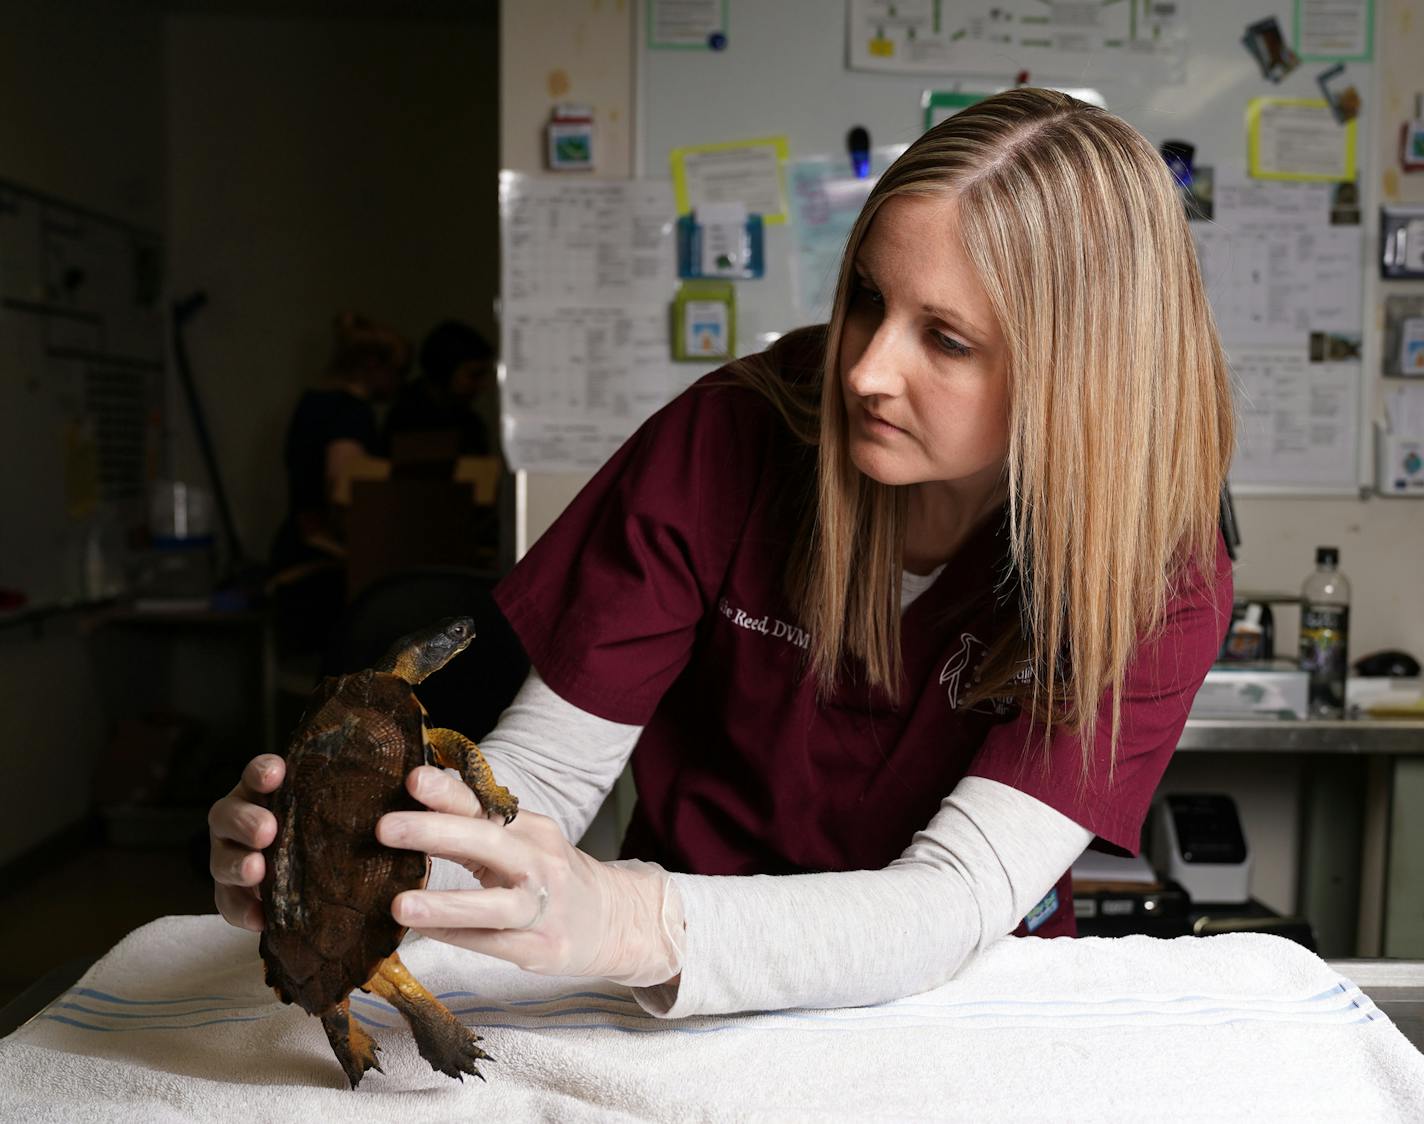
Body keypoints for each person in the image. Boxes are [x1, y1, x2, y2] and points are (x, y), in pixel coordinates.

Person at [213, 90, 1235, 1016]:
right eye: (869, 301)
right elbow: (544, 782)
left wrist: (627, 917)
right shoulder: (733, 434)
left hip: (944, 1004)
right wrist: (348, 866)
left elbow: (951, 897)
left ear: (1077, 376)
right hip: (668, 990)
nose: (866, 370)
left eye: (947, 339)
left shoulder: (1152, 565)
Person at [267, 313, 409, 650]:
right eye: (398, 372)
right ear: (374, 366)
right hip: (315, 565)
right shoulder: (350, 413)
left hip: (291, 550)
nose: (400, 383)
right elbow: (344, 489)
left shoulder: (312, 403)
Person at [383, 319, 497, 457]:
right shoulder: (407, 419)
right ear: (444, 371)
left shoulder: (470, 423)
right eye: (474, 375)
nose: (483, 385)